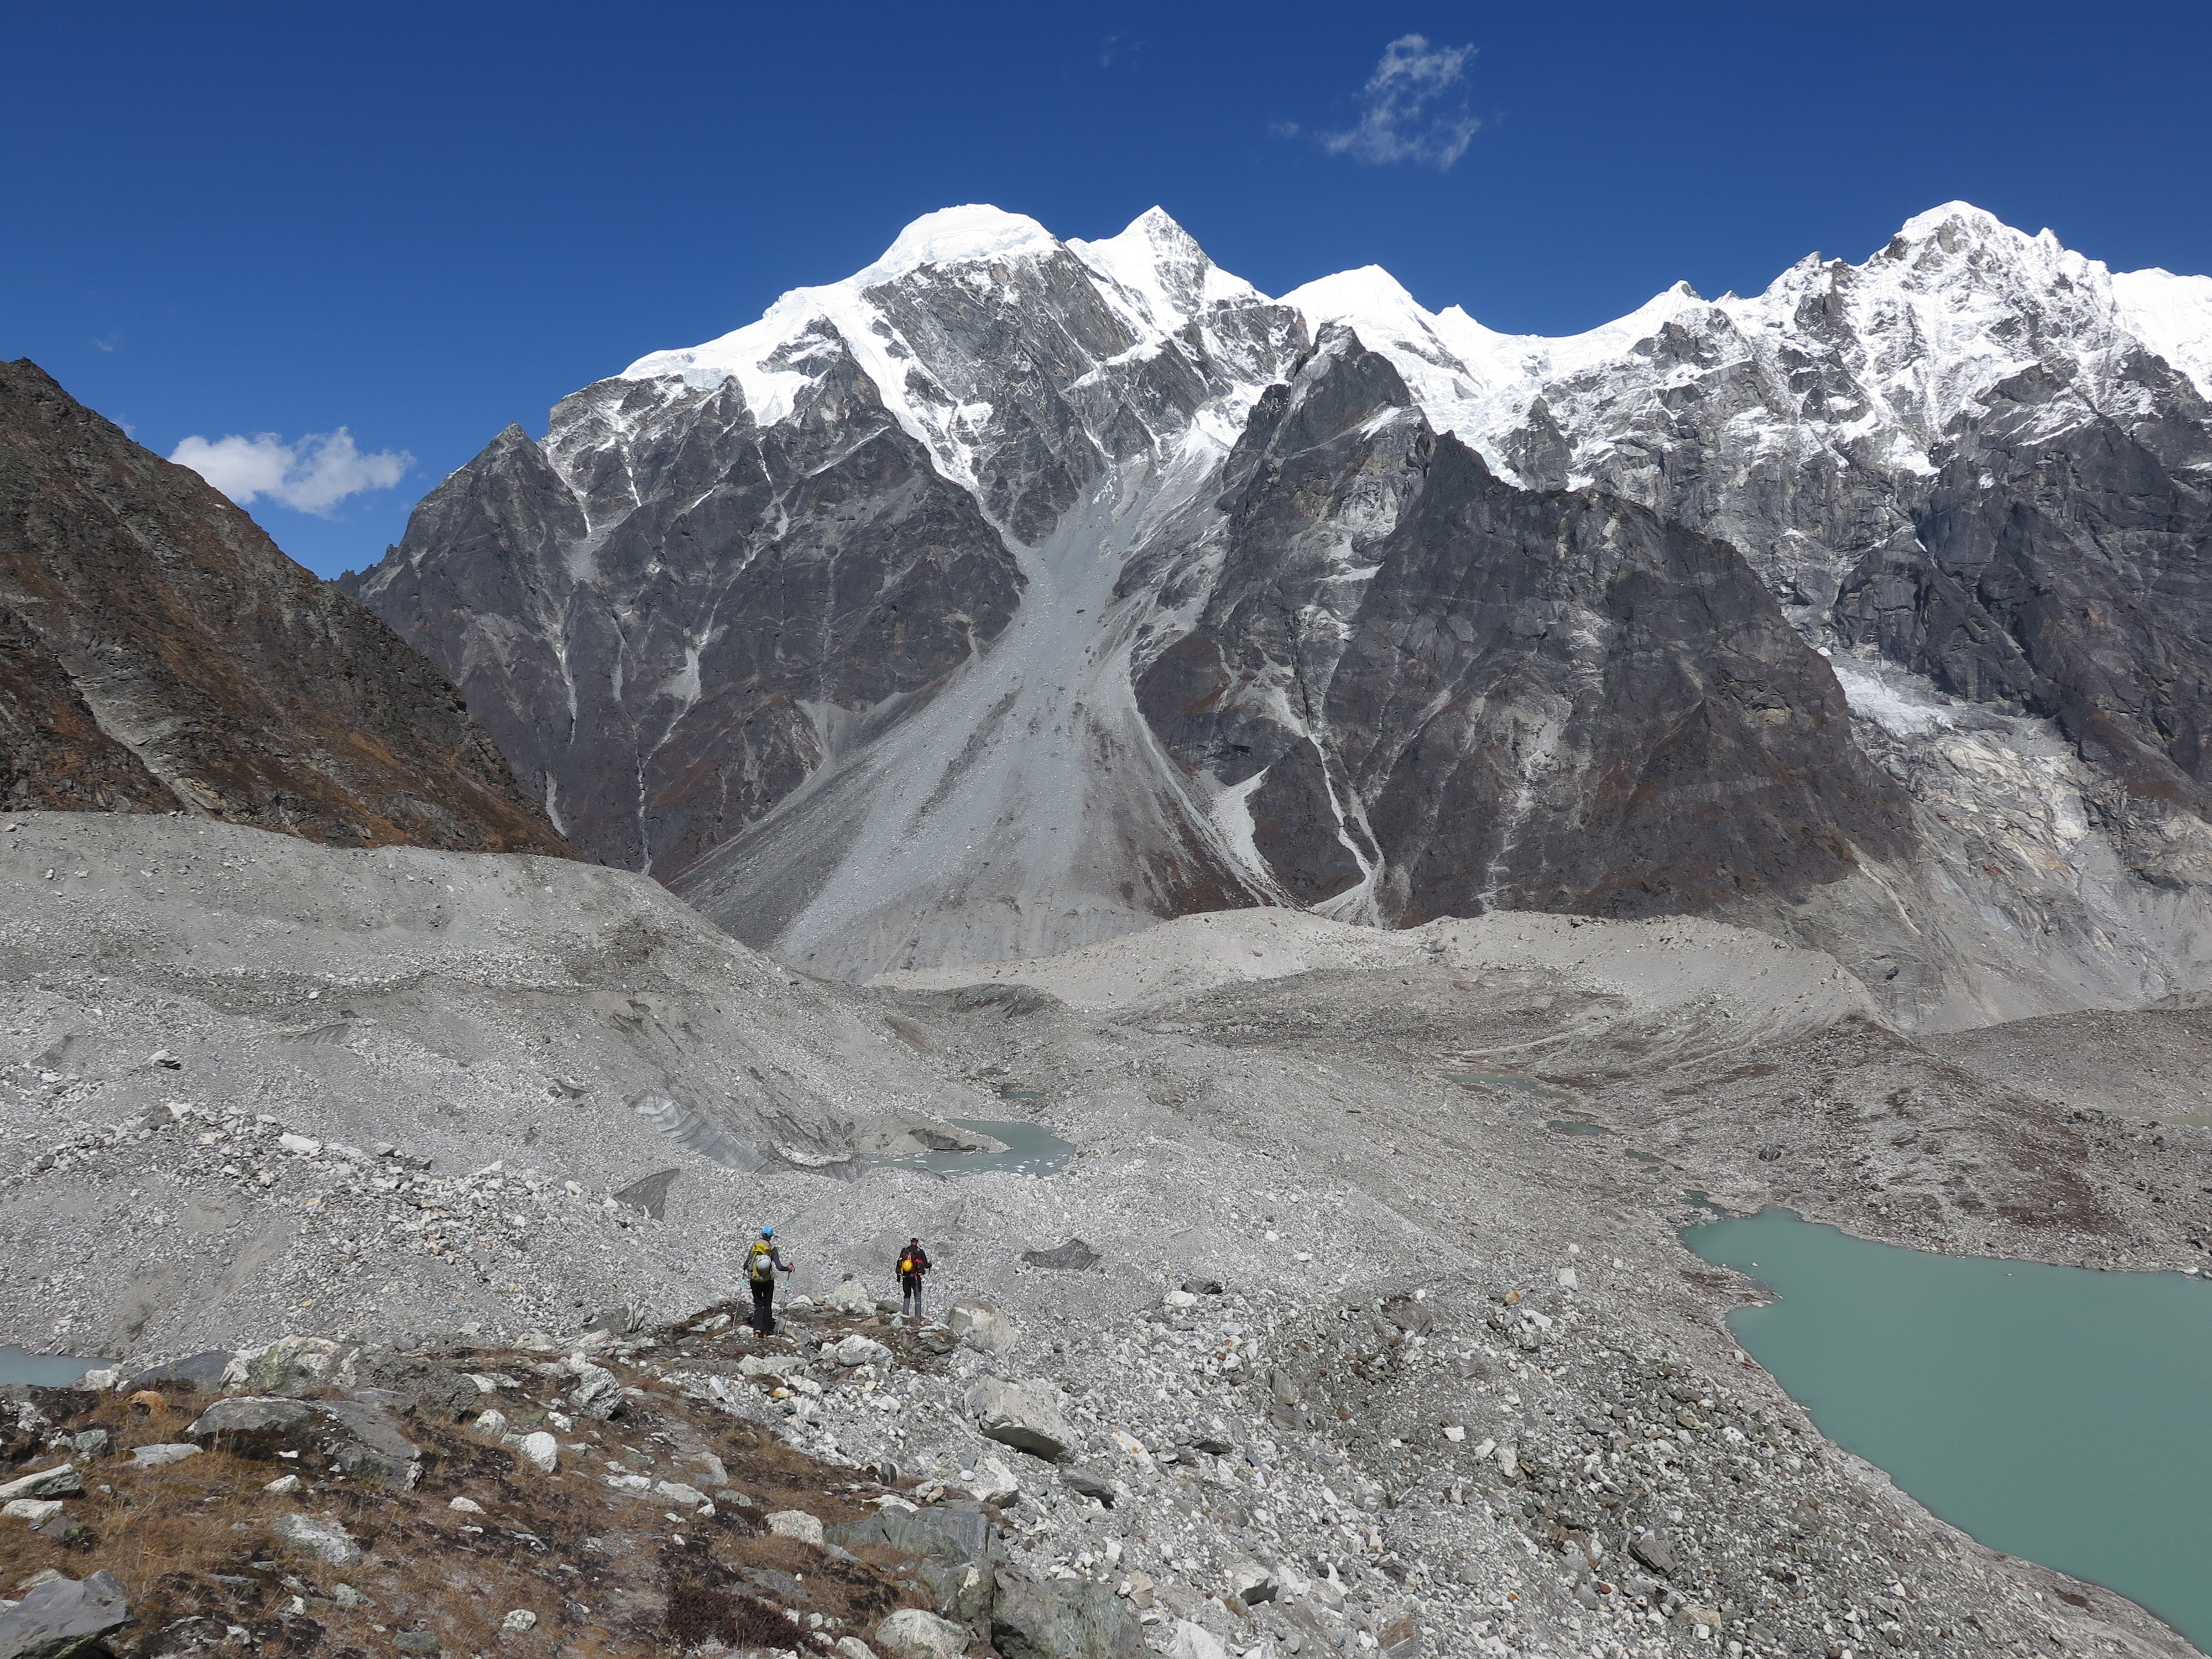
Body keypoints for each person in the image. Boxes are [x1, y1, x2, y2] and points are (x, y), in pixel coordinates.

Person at [746, 1225, 794, 1335]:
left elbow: (746, 1264)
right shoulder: (772, 1249)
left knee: (758, 1304)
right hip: (767, 1281)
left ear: (762, 1234)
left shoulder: (755, 1246)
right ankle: (766, 1331)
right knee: (767, 1304)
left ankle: (757, 1329)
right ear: (771, 1236)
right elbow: (779, 1267)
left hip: (755, 1280)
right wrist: (789, 1268)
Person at [896, 1237, 931, 1318]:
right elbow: (926, 1265)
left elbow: (899, 1264)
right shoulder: (920, 1252)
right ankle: (918, 1316)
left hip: (906, 1277)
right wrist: (930, 1265)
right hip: (915, 1277)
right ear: (917, 1241)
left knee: (907, 1295)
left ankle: (905, 1314)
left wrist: (898, 1277)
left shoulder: (905, 1250)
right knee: (917, 1297)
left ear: (911, 1241)